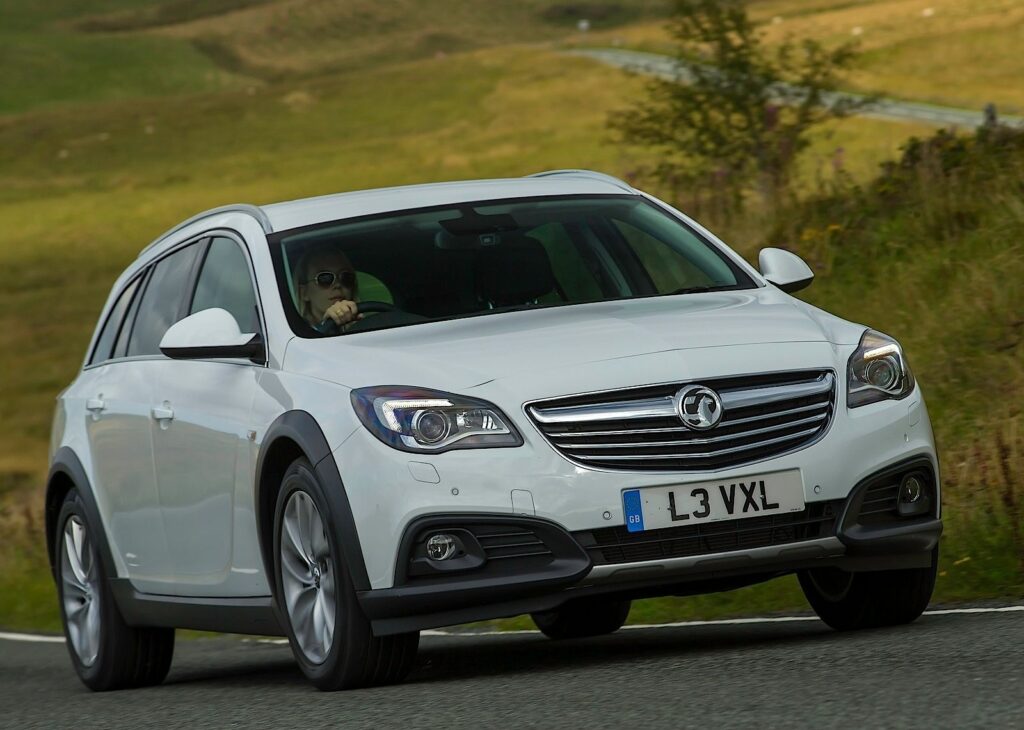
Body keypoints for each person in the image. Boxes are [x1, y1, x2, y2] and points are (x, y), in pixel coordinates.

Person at [294, 245, 360, 333]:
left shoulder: (363, 322)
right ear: (304, 293)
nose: (338, 284)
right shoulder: (297, 335)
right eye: (325, 278)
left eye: (346, 277)